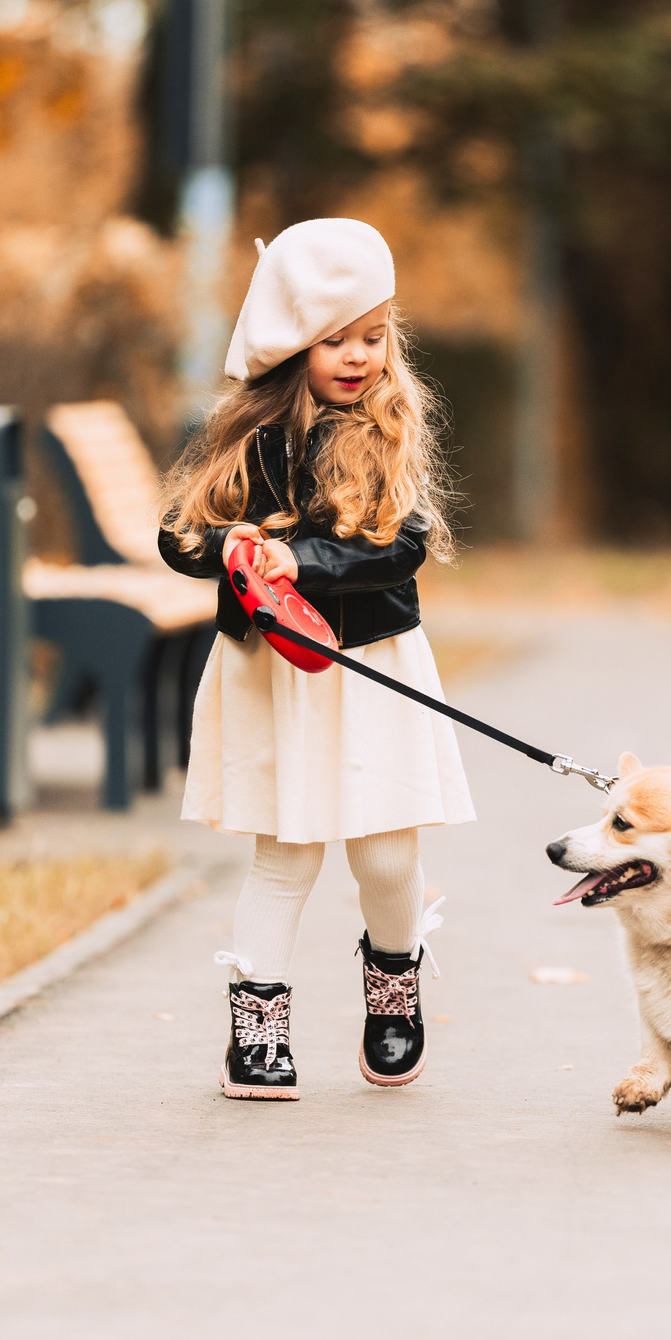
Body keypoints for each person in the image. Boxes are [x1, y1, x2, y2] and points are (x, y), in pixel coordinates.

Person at [159, 218, 474, 1101]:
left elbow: (401, 547)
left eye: (374, 337)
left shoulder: (387, 429)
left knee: (382, 855)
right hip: (274, 670)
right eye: (335, 337)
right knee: (285, 853)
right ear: (291, 339)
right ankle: (256, 1032)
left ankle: (394, 985)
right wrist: (226, 549)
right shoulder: (247, 435)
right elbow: (180, 533)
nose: (357, 356)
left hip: (370, 664)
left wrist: (308, 560)